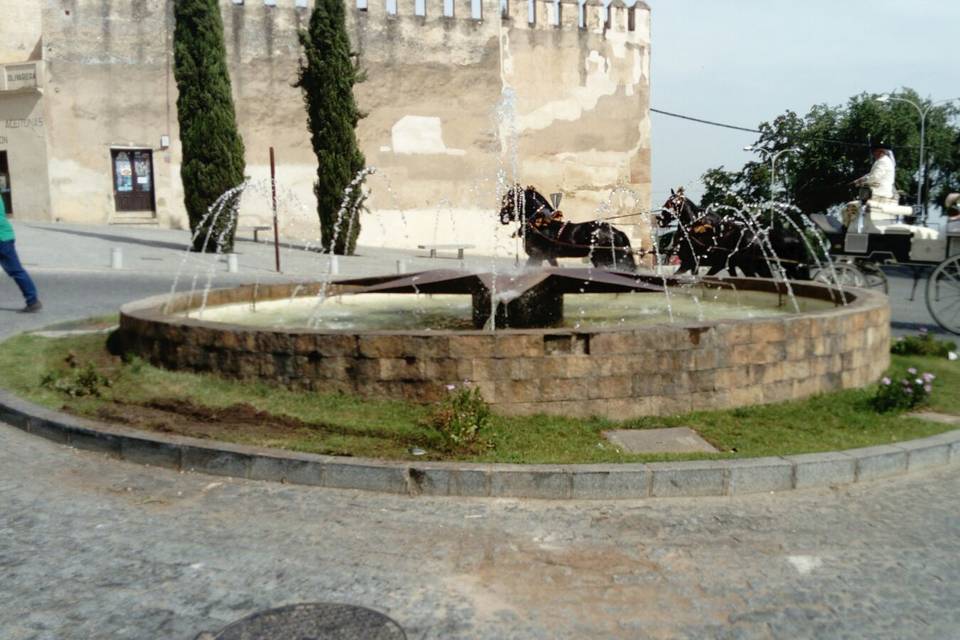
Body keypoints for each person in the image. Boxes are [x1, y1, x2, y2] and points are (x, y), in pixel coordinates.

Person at [0, 196, 42, 313]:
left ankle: (32, 301)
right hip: (6, 236)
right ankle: (32, 301)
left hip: (2, 238)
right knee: (17, 270)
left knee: (16, 271)